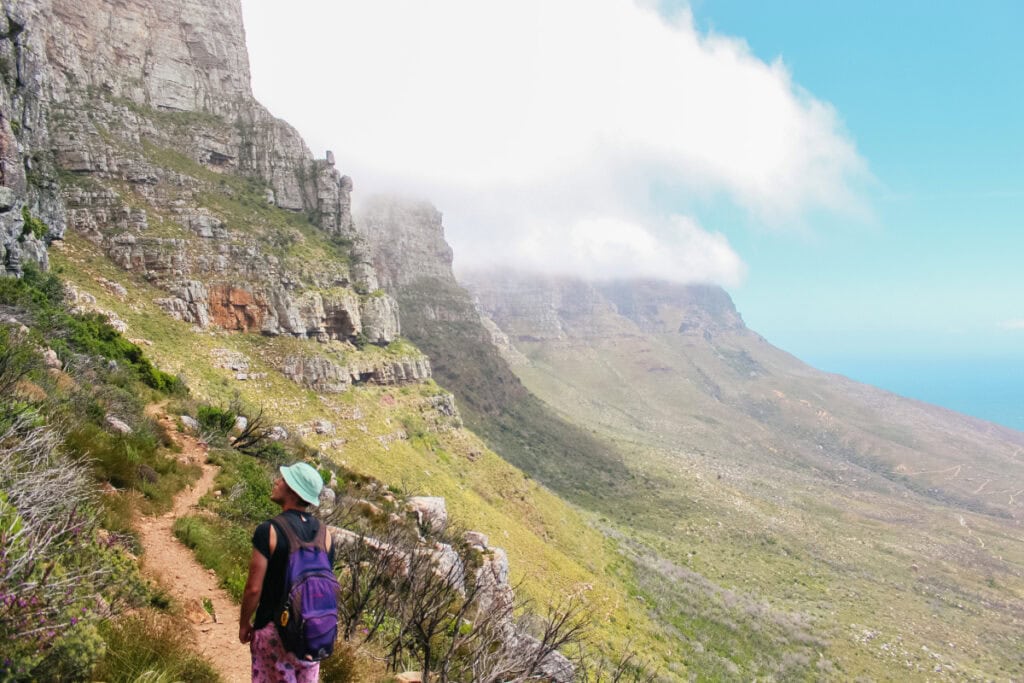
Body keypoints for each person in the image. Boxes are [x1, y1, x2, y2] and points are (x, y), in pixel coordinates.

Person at [239, 462, 333, 682]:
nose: (276, 482)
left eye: (282, 479)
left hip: (273, 632)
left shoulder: (269, 531)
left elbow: (254, 588)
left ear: (292, 489)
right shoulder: (325, 535)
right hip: (311, 636)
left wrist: (245, 623)